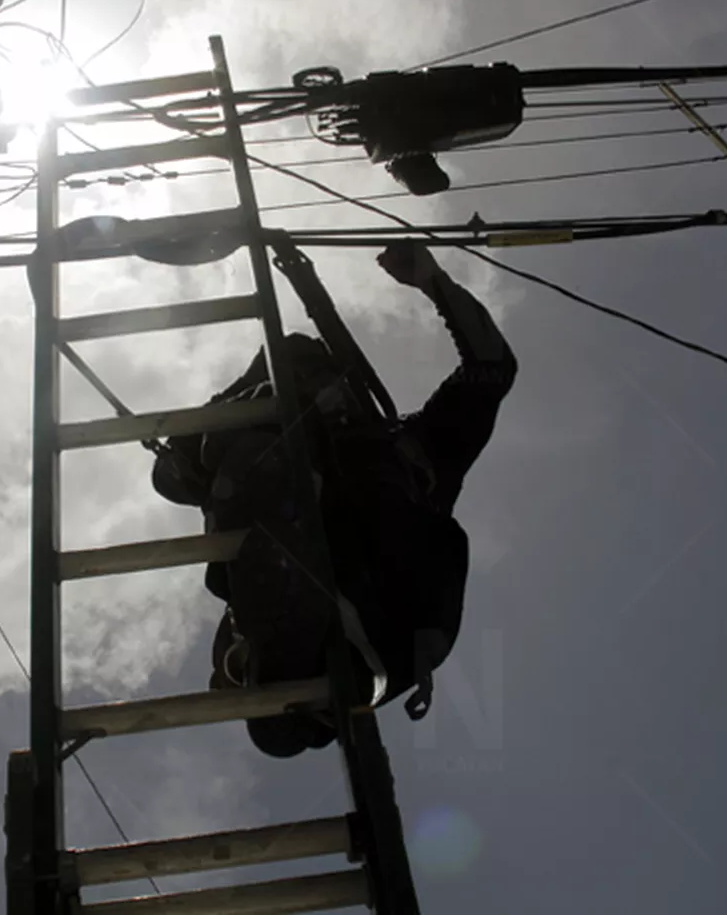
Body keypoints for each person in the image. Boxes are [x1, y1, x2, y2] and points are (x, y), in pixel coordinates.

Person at [151, 243, 518, 758]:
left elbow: (492, 368)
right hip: (330, 577)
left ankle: (310, 675)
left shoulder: (418, 452)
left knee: (250, 449)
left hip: (378, 599)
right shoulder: (295, 435)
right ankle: (296, 678)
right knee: (241, 435)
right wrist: (210, 430)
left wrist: (433, 281)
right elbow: (175, 474)